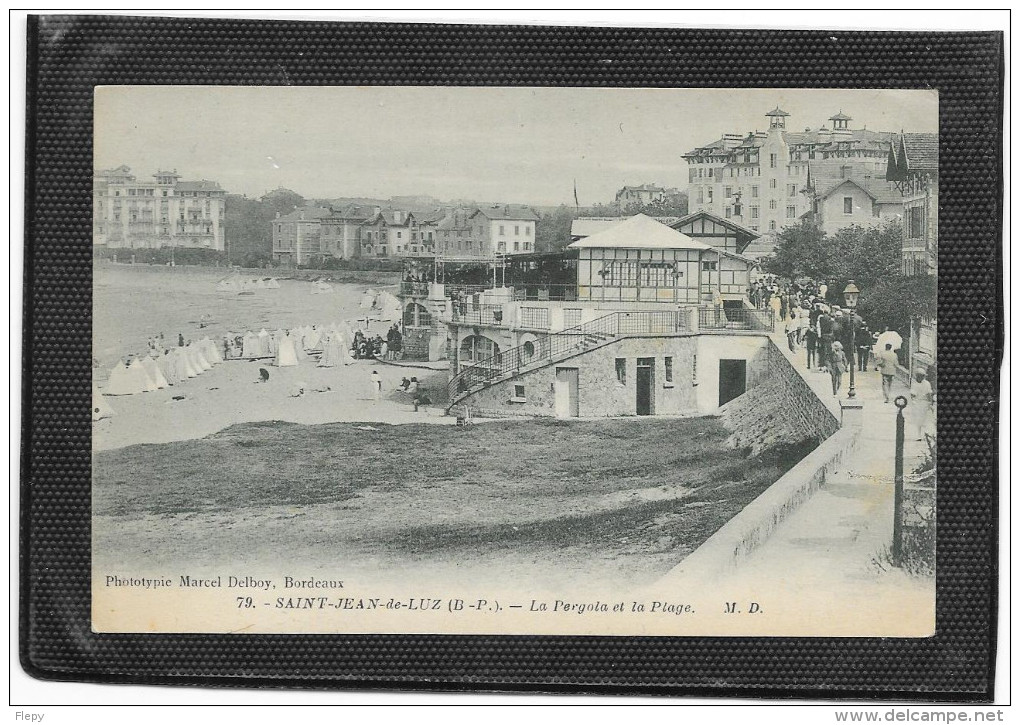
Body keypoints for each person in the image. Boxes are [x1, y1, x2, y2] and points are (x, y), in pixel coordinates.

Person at [908, 371, 934, 440]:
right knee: (922, 419)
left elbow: (913, 394)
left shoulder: (916, 384)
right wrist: (930, 403)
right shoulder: (926, 383)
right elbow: (929, 394)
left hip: (921, 403)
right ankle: (921, 435)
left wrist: (930, 403)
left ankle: (921, 435)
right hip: (920, 403)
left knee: (921, 419)